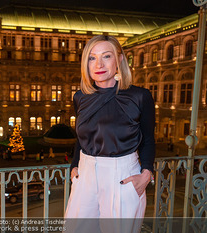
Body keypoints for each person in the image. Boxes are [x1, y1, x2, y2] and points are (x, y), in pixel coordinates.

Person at [64, 35, 155, 233]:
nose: (99, 64)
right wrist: (74, 167)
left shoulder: (140, 96)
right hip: (85, 174)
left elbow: (148, 139)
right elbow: (81, 137)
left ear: (119, 59)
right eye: (92, 57)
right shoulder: (80, 97)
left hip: (122, 174)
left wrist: (146, 174)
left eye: (106, 56)